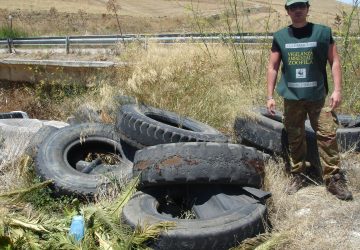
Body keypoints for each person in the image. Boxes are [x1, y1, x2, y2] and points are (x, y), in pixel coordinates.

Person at [266, 0, 353, 200]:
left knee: (327, 136)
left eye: (301, 6)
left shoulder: (322, 33)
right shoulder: (280, 36)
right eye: (293, 7)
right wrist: (270, 96)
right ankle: (298, 175)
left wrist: (337, 90)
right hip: (292, 98)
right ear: (287, 11)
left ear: (307, 8)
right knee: (295, 137)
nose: (297, 10)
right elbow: (273, 67)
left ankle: (333, 179)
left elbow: (335, 61)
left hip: (318, 97)